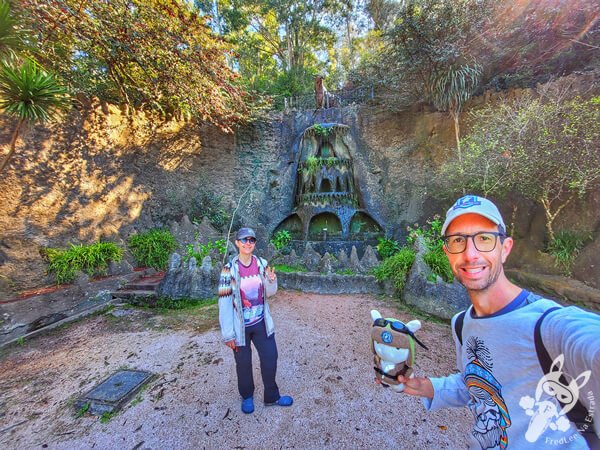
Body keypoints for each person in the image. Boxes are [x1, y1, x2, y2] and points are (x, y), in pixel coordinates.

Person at [394, 195, 600, 449]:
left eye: (484, 238)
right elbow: (478, 383)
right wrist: (427, 387)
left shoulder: (551, 326)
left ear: (505, 248)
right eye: (458, 240)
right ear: (447, 252)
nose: (470, 254)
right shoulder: (462, 323)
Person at [218, 227, 293, 414]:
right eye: (243, 240)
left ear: (254, 243)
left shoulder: (262, 263)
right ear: (237, 243)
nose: (247, 243)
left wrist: (271, 280)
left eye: (251, 240)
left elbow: (270, 293)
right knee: (243, 363)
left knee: (270, 358)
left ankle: (272, 396)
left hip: (261, 322)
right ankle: (247, 396)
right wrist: (228, 334)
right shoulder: (229, 270)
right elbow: (225, 302)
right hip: (240, 326)